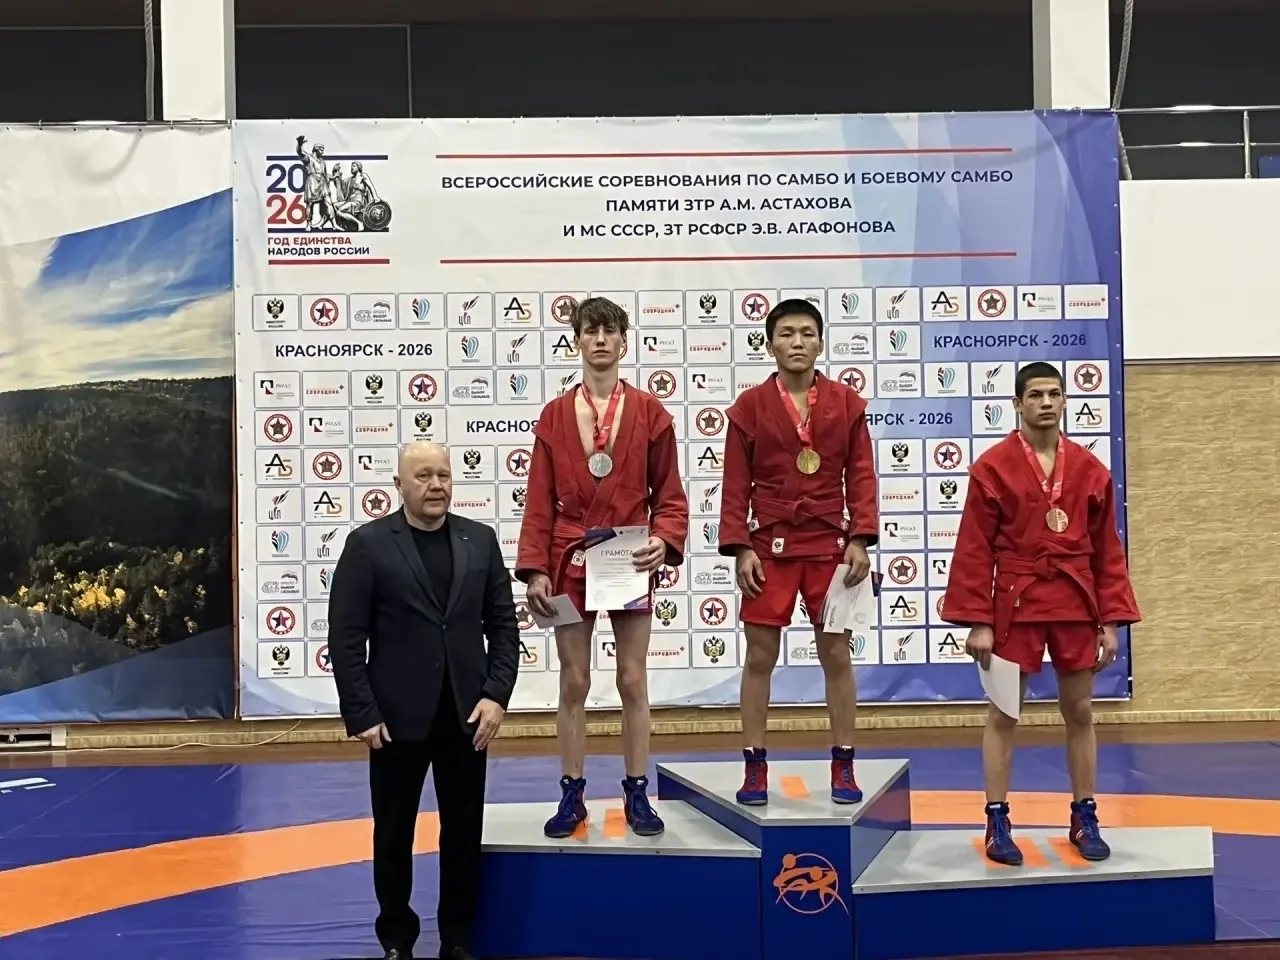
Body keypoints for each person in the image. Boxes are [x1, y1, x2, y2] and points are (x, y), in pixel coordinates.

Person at [940, 361, 1141, 867]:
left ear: (1066, 400)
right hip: (1016, 601)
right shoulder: (993, 467)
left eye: (1054, 394)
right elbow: (974, 548)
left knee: (1080, 711)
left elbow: (1107, 550)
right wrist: (978, 621)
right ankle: (997, 819)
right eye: (1035, 395)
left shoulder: (1091, 470)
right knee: (1004, 713)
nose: (1046, 402)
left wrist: (1110, 620)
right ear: (1017, 403)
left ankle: (1084, 814)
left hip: (1075, 601)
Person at [328, 441, 520, 960]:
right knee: (393, 834)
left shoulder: (480, 540)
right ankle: (396, 939)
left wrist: (496, 696)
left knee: (463, 833)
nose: (436, 485)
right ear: (399, 485)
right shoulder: (367, 545)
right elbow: (346, 637)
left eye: (443, 475)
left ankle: (457, 938)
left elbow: (504, 628)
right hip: (394, 720)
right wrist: (362, 712)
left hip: (467, 716)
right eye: (423, 476)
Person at [516, 296, 689, 839]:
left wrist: (664, 539)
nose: (599, 339)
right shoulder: (553, 416)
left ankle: (637, 791)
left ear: (623, 341)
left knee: (633, 680)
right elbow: (538, 503)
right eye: (590, 331)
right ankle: (572, 793)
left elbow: (670, 495)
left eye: (609, 331)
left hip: (628, 557)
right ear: (576, 341)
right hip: (569, 558)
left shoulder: (650, 412)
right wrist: (535, 568)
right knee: (574, 680)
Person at [718, 298, 879, 806]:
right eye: (786, 333)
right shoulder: (749, 407)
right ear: (770, 344)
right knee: (759, 656)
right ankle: (754, 766)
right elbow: (735, 485)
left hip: (830, 544)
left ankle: (844, 762)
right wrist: (740, 548)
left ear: (821, 342)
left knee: (836, 654)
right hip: (768, 545)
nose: (797, 342)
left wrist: (860, 539)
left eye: (807, 333)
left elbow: (862, 477)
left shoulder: (847, 403)